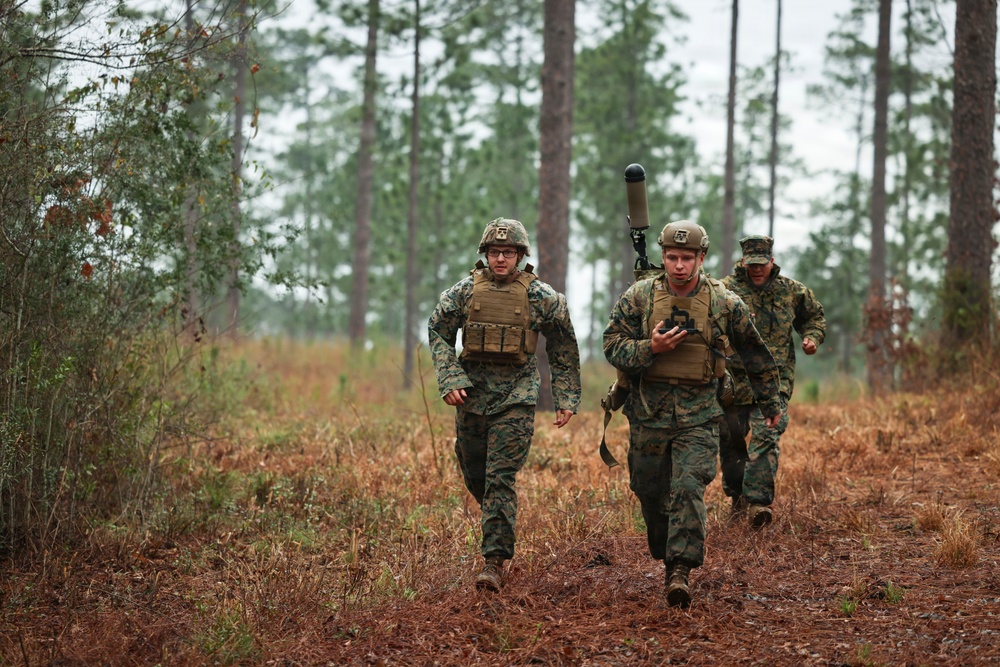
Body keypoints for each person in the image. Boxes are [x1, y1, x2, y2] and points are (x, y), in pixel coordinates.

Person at [603, 220, 782, 608]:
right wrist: (649, 348)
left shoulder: (723, 301)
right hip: (649, 413)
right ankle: (666, 549)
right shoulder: (639, 296)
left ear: (701, 258)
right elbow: (612, 345)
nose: (679, 266)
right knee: (649, 492)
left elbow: (754, 351)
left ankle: (679, 571)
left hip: (700, 414)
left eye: (687, 258)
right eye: (671, 257)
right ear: (663, 257)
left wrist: (770, 402)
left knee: (688, 487)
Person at [428, 217, 581, 593]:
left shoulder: (540, 296)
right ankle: (500, 518)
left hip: (517, 397)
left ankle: (494, 562)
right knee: (474, 473)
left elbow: (563, 346)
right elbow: (438, 331)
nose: (500, 259)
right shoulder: (464, 292)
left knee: (500, 477)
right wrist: (449, 377)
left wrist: (566, 397)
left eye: (508, 253)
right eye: (494, 253)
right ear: (485, 254)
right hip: (472, 395)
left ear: (520, 256)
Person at [719, 234, 827, 527]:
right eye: (751, 264)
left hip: (775, 381)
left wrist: (811, 337)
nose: (757, 269)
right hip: (733, 381)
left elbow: (814, 317)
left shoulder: (791, 291)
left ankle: (758, 504)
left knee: (766, 436)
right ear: (743, 262)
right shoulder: (725, 290)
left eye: (762, 264)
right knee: (730, 442)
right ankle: (738, 497)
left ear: (772, 261)